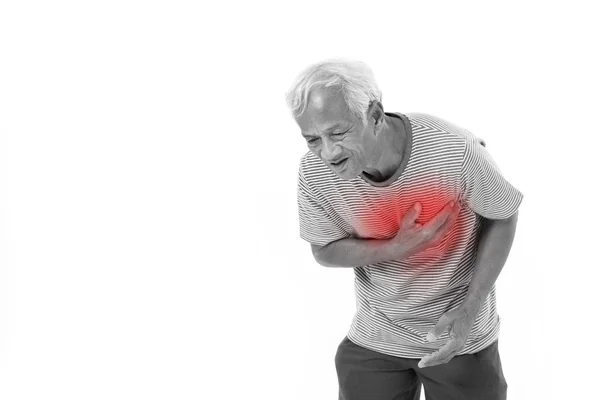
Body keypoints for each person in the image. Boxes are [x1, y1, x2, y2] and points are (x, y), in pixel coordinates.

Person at [285, 58, 523, 400]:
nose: (327, 152)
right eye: (312, 139)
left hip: (457, 337)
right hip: (375, 336)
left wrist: (470, 309)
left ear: (375, 116)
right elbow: (324, 249)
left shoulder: (454, 151)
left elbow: (503, 214)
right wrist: (395, 247)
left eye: (338, 133)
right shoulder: (314, 172)